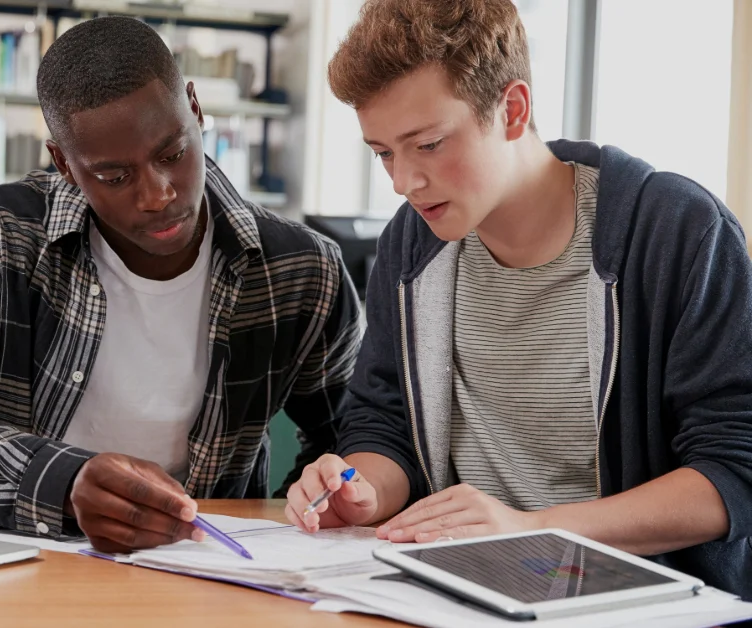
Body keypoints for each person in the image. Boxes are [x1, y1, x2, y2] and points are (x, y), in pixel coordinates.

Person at [284, 0, 752, 598]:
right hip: (461, 592)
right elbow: (386, 423)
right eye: (383, 153)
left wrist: (532, 531)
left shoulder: (676, 229)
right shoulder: (412, 242)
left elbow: (734, 469)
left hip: (637, 602)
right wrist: (359, 489)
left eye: (427, 144)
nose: (403, 182)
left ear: (512, 109)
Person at [0, 16, 362, 554]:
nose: (157, 194)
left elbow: (357, 437)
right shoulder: (2, 234)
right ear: (64, 164)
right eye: (114, 177)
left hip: (212, 566)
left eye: (172, 153)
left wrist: (302, 522)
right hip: (33, 558)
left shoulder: (301, 268)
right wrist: (61, 483)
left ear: (194, 109)